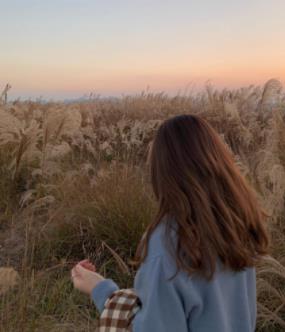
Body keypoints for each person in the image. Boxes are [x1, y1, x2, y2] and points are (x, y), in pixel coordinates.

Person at [71, 114, 270, 332]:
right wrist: (100, 288)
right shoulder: (235, 225)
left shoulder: (167, 244)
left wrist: (99, 291)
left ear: (163, 172)